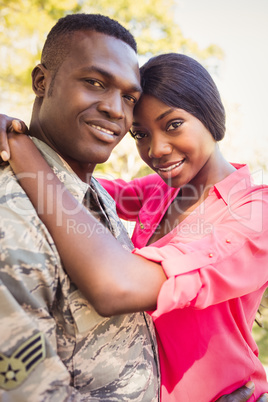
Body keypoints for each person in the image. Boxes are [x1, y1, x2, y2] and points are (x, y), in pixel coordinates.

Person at [1, 52, 268, 402]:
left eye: (173, 125)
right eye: (140, 134)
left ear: (209, 115)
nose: (156, 150)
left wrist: (20, 148)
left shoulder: (254, 214)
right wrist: (18, 133)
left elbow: (118, 287)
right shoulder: (161, 191)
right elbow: (79, 189)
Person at [0, 13, 161, 401]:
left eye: (129, 97)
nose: (115, 110)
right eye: (94, 82)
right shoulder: (12, 213)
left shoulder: (93, 193)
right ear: (42, 81)